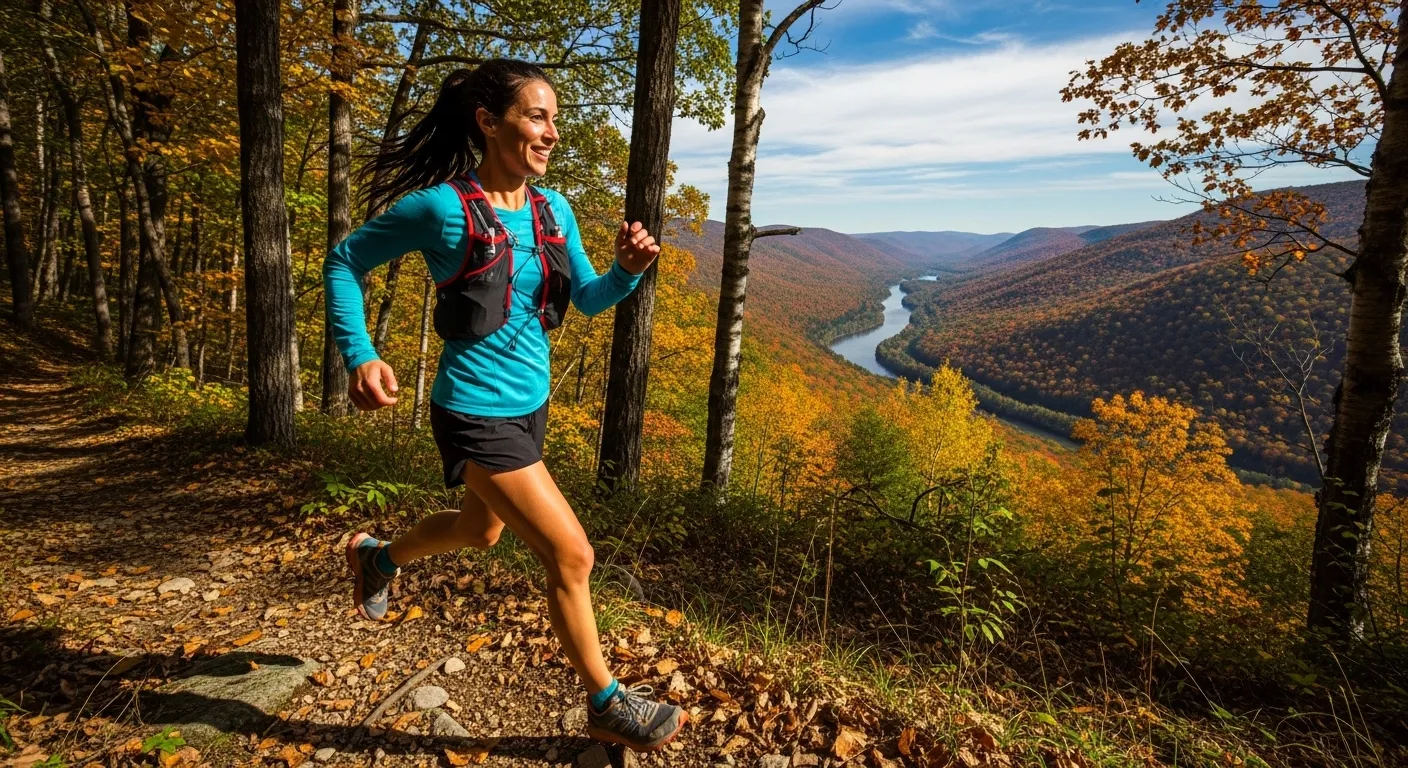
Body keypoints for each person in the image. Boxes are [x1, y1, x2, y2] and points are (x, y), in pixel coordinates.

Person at [323, 59, 686, 753]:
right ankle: (606, 702)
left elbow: (585, 299)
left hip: (529, 406)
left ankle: (377, 558)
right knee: (571, 554)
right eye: (537, 116)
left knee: (480, 531)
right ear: (489, 123)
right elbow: (344, 261)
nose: (551, 133)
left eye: (555, 119)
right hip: (472, 410)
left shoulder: (554, 210)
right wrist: (360, 352)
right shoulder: (440, 210)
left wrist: (627, 273)